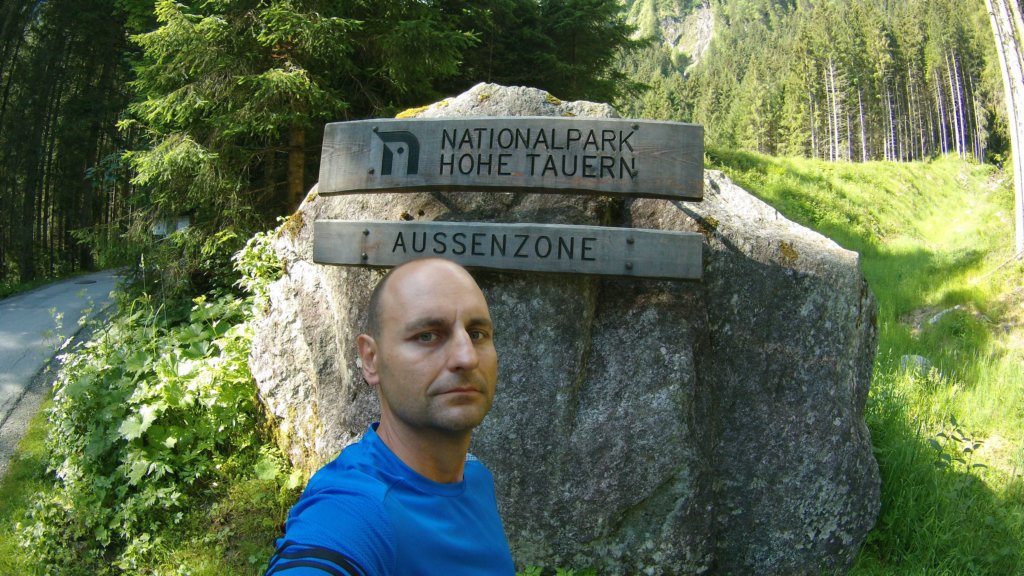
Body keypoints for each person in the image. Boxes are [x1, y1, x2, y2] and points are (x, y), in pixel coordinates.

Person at [264, 257, 515, 575]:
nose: (466, 357)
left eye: (477, 334)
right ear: (371, 359)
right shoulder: (356, 506)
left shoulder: (475, 477)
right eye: (428, 335)